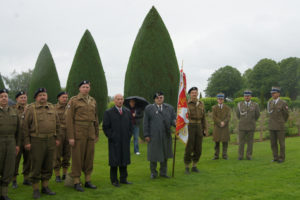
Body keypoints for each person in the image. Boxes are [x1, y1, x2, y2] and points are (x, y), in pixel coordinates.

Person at [23, 88, 60, 199]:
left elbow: (58, 124)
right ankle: (35, 189)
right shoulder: (30, 109)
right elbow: (25, 127)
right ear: (36, 97)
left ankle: (45, 187)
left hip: (50, 140)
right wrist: (27, 142)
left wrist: (57, 138)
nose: (43, 97)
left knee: (48, 165)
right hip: (36, 141)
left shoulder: (52, 108)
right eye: (40, 95)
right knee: (36, 165)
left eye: (44, 94)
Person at [66, 80, 99, 192]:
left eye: (87, 87)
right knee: (77, 157)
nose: (86, 88)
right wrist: (71, 136)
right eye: (84, 87)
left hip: (90, 132)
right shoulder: (74, 100)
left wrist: (96, 133)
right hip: (78, 132)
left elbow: (96, 118)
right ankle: (76, 181)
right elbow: (69, 119)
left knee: (89, 157)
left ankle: (88, 180)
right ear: (79, 89)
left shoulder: (93, 100)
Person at [143, 92, 176, 179]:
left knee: (165, 154)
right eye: (158, 98)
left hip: (166, 134)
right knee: (153, 155)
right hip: (154, 135)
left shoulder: (169, 108)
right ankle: (153, 173)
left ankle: (163, 172)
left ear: (163, 98)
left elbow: (173, 119)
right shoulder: (149, 108)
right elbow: (145, 123)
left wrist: (176, 123)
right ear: (155, 99)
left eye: (161, 97)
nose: (159, 99)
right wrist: (146, 134)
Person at [103, 94, 133, 187]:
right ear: (114, 101)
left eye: (121, 99)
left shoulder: (127, 111)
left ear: (123, 100)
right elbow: (106, 127)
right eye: (118, 99)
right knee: (114, 161)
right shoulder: (109, 112)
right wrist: (112, 136)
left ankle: (123, 179)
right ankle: (114, 180)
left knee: (124, 159)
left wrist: (128, 136)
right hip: (114, 141)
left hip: (125, 140)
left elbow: (130, 126)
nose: (120, 101)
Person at [0, 89, 20, 200]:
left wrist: (17, 144)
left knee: (8, 167)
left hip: (11, 142)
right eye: (1, 96)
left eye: (6, 96)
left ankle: (4, 194)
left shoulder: (14, 112)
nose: (4, 98)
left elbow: (19, 130)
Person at [184, 87, 207, 174]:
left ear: (197, 94)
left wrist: (205, 129)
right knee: (189, 147)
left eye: (195, 92)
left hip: (199, 126)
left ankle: (194, 165)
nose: (194, 94)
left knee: (198, 148)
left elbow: (204, 117)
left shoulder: (201, 103)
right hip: (190, 126)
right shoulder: (186, 104)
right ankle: (187, 166)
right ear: (190, 94)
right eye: (192, 93)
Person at [12, 91, 31, 188]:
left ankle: (26, 178)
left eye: (24, 97)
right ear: (17, 99)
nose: (23, 99)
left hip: (28, 139)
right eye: (21, 97)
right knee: (15, 160)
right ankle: (14, 180)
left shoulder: (30, 109)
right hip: (16, 140)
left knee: (28, 160)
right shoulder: (12, 109)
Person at [236, 90, 260, 160]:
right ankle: (240, 156)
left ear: (251, 96)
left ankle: (249, 155)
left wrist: (252, 121)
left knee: (250, 142)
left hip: (251, 126)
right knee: (241, 142)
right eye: (245, 96)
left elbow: (257, 115)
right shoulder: (239, 104)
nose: (247, 97)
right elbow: (238, 115)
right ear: (244, 96)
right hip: (242, 126)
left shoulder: (255, 105)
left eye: (248, 96)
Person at [267, 87, 289, 163]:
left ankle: (282, 158)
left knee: (281, 143)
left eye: (274, 93)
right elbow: (269, 114)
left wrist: (282, 121)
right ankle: (275, 157)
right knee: (273, 143)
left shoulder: (283, 103)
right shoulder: (270, 103)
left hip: (280, 126)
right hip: (272, 126)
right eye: (272, 93)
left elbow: (286, 115)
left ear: (278, 94)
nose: (273, 94)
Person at [54, 92, 71, 182]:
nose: (65, 99)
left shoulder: (70, 108)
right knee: (57, 155)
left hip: (68, 133)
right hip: (59, 133)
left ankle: (65, 174)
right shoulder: (53, 108)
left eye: (66, 97)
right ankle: (57, 175)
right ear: (58, 98)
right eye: (63, 97)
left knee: (67, 154)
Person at [212, 93, 231, 160]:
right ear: (217, 100)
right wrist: (220, 122)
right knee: (217, 142)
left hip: (225, 127)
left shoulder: (227, 108)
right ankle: (216, 155)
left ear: (223, 100)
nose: (220, 100)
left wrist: (224, 122)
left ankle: (224, 155)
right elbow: (214, 117)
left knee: (225, 142)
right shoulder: (214, 108)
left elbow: (228, 117)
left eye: (221, 99)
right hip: (217, 127)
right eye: (219, 99)